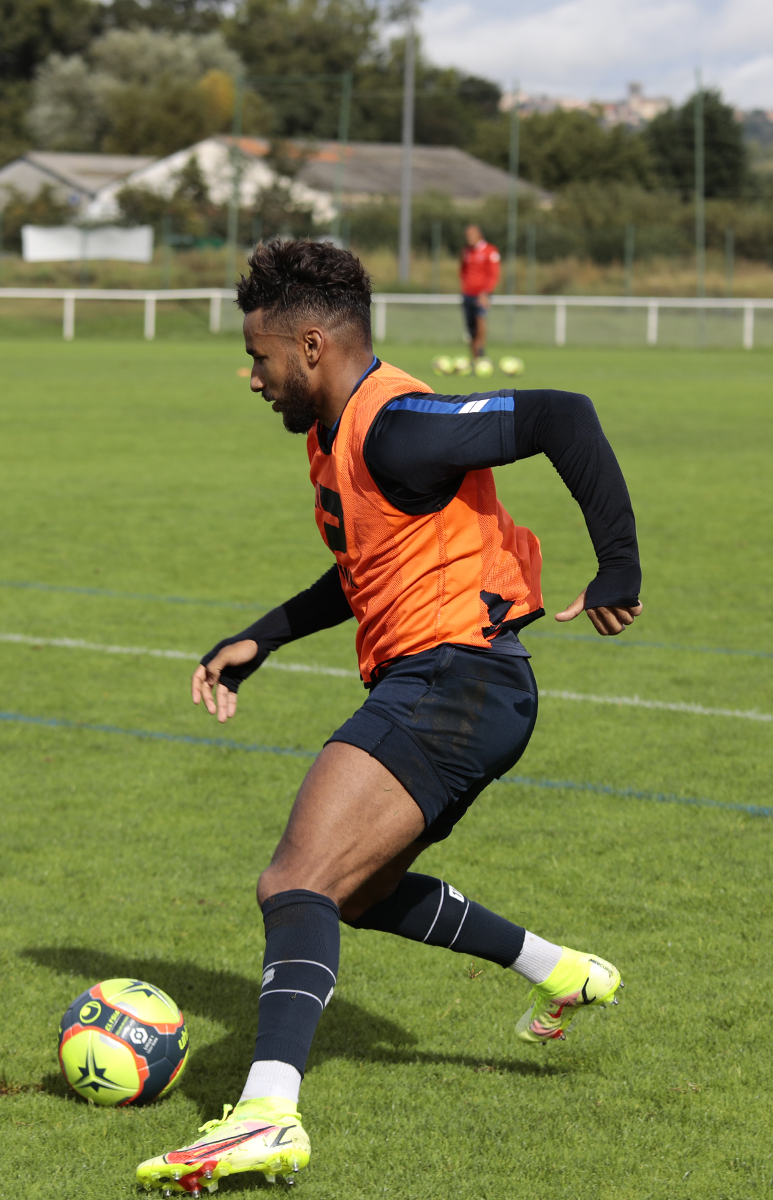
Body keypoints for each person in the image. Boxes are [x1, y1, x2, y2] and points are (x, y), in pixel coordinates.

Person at [134, 241, 642, 1195]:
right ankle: (561, 970)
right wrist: (265, 636)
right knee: (356, 893)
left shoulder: (401, 425)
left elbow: (564, 416)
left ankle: (265, 1116)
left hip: (460, 680)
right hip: (455, 684)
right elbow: (368, 564)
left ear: (314, 345)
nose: (253, 379)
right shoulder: (340, 439)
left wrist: (618, 565)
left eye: (261, 357)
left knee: (297, 878)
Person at [458, 224, 500, 362]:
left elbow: (494, 274)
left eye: (471, 235)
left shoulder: (490, 251)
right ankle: (474, 358)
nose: (469, 238)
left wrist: (486, 292)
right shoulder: (466, 251)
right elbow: (462, 270)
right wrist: (464, 287)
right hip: (467, 293)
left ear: (479, 235)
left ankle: (480, 349)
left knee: (480, 320)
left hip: (482, 294)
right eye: (467, 236)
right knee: (470, 327)